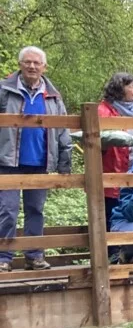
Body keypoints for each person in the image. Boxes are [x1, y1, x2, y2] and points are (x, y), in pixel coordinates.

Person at [0, 47, 72, 272]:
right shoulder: (4, 90)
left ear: (44, 67)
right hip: (7, 162)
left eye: (36, 63)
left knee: (36, 210)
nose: (32, 66)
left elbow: (63, 130)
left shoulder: (53, 96)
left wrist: (64, 163)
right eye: (27, 62)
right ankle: (3, 257)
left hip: (40, 163)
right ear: (20, 64)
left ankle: (34, 256)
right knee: (7, 211)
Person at [97, 72, 133, 233]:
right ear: (119, 89)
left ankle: (128, 252)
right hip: (112, 167)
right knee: (110, 211)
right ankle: (111, 253)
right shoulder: (103, 110)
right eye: (130, 86)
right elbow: (98, 140)